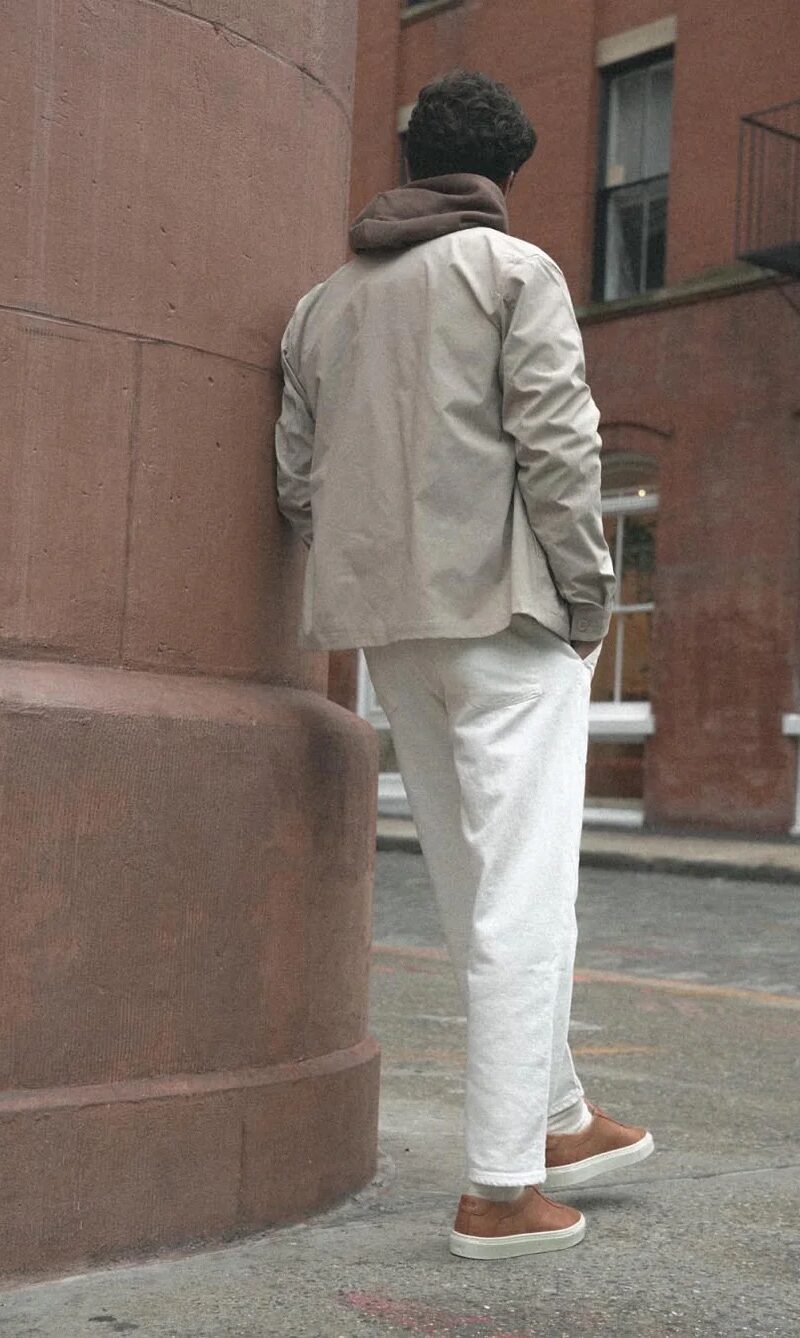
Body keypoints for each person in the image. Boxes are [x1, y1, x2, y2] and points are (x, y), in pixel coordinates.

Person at [274, 69, 653, 1260]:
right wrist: (586, 599)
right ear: (502, 177)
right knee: (525, 894)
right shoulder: (510, 271)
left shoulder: (318, 308)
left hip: (390, 630)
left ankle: (556, 1115)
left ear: (410, 159)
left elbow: (296, 483)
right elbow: (558, 445)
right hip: (507, 616)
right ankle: (499, 1185)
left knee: (468, 882)